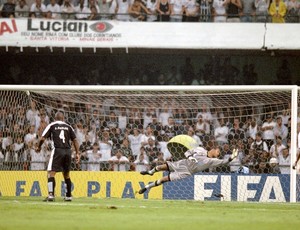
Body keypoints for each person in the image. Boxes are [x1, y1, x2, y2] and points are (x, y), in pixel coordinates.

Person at [138, 145, 238, 194]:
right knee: (160, 167)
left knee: (163, 180)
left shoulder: (211, 161)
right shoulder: (200, 150)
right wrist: (190, 157)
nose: (218, 154)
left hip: (186, 172)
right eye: (218, 152)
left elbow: (223, 162)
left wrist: (231, 158)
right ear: (214, 149)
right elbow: (187, 152)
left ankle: (147, 187)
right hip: (183, 163)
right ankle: (150, 172)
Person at [36, 111, 80, 202]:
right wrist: (77, 153)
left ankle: (51, 195)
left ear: (55, 118)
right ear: (63, 118)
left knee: (51, 173)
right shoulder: (68, 126)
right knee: (66, 174)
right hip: (68, 151)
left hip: (57, 150)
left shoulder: (52, 125)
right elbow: (75, 140)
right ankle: (68, 196)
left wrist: (38, 147)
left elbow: (42, 138)